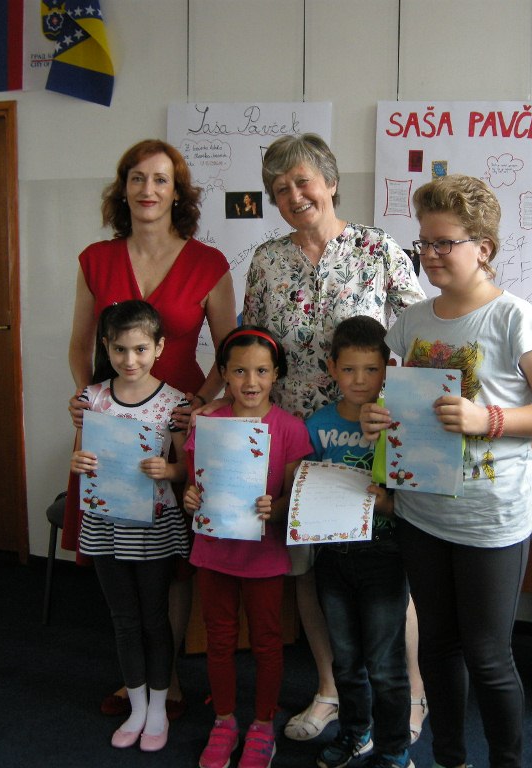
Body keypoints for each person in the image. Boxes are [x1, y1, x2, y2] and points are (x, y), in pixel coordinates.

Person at [360, 174, 532, 768]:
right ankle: (450, 758)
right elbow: (402, 404)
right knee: (437, 647)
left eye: (443, 243)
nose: (429, 255)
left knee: (488, 655)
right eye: (423, 243)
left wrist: (489, 419)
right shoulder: (412, 321)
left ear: (483, 247)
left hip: (489, 517)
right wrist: (379, 419)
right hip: (422, 510)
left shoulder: (513, 318)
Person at [243, 132, 427, 741]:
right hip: (300, 440)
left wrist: (406, 413)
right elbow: (255, 347)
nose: (294, 195)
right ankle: (329, 688)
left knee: (388, 571)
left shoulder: (378, 249)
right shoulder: (266, 261)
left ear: (330, 182)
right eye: (280, 189)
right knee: (310, 567)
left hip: (373, 437)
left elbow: (419, 340)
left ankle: (411, 691)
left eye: (303, 181)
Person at [64, 138, 237, 718]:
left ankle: (169, 678)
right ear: (123, 189)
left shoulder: (208, 262)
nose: (148, 190)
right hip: (111, 426)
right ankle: (135, 677)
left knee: (174, 555)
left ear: (177, 192)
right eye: (137, 178)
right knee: (117, 542)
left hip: (179, 426)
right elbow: (80, 345)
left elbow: (228, 351)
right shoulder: (96, 259)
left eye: (161, 179)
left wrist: (201, 402)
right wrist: (88, 401)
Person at [184, 326, 313, 768]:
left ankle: (262, 724)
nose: (251, 381)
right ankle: (224, 720)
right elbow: (193, 487)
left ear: (276, 374)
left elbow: (292, 499)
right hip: (214, 552)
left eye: (261, 371)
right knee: (219, 639)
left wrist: (275, 509)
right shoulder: (209, 425)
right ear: (223, 373)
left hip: (264, 557)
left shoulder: (289, 429)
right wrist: (190, 498)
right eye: (239, 371)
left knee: (266, 641)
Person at [68, 301, 190, 752]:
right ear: (106, 347)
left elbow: (185, 469)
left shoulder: (174, 402)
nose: (130, 359)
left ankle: (158, 708)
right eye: (119, 349)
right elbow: (81, 454)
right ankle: (137, 706)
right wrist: (78, 462)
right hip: (104, 522)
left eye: (140, 349)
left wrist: (168, 470)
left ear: (159, 347)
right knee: (123, 619)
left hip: (152, 525)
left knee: (154, 618)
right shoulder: (92, 399)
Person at [307, 316, 413, 768]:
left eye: (371, 370)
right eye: (349, 369)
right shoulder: (318, 424)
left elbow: (413, 490)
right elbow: (305, 485)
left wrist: (389, 503)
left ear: (387, 369)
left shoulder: (399, 423)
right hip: (332, 555)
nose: (359, 380)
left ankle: (394, 748)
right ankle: (355, 733)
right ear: (332, 368)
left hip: (384, 555)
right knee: (346, 660)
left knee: (385, 665)